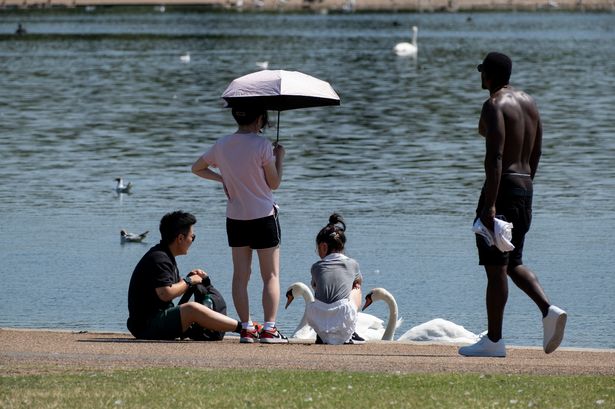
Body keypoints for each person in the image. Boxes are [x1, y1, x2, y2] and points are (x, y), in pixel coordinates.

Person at [459, 52, 567, 358]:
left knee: (496, 268)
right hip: (524, 187)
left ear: (489, 75)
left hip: (501, 188)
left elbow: (494, 157)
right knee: (513, 261)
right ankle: (549, 310)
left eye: (482, 71)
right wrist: (525, 185)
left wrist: (490, 205)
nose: (480, 76)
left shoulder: (493, 105)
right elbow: (536, 150)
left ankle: (494, 341)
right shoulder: (530, 103)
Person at [191, 107, 288, 344]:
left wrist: (221, 177)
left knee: (240, 276)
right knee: (271, 275)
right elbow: (274, 184)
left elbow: (197, 168)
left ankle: (245, 328)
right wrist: (279, 158)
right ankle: (269, 329)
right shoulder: (263, 145)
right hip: (264, 216)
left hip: (236, 218)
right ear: (259, 118)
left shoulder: (222, 144)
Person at [127, 211, 242, 340]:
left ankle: (237, 327)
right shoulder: (159, 258)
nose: (192, 240)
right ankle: (243, 328)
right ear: (180, 238)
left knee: (193, 307)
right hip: (147, 325)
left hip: (151, 321)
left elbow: (173, 288)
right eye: (192, 236)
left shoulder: (164, 255)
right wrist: (189, 280)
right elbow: (165, 293)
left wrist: (191, 279)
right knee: (192, 308)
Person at [306, 213, 365, 345]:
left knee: (319, 290)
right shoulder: (352, 264)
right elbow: (359, 282)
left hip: (317, 317)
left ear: (323, 246)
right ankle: (351, 332)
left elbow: (315, 286)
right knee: (356, 287)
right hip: (343, 315)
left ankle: (321, 335)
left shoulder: (316, 267)